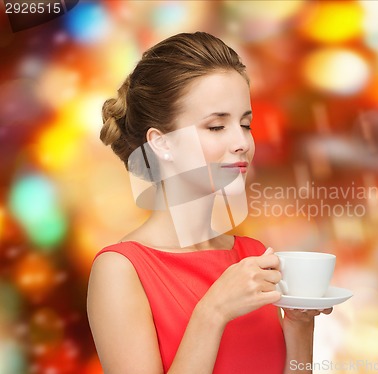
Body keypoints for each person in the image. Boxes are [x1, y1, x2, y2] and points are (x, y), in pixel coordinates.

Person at [87, 32, 332, 374]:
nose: (242, 142)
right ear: (162, 143)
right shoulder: (121, 270)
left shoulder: (253, 258)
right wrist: (212, 313)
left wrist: (300, 324)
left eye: (245, 124)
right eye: (217, 126)